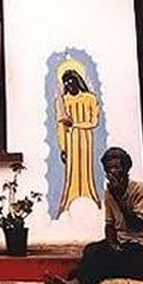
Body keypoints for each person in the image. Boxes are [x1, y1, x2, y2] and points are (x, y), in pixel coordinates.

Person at [45, 146, 143, 284]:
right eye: (109, 168)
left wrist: (119, 198)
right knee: (92, 250)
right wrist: (112, 243)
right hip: (121, 241)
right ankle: (75, 283)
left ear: (125, 168)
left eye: (117, 167)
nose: (113, 172)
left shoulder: (138, 190)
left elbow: (138, 226)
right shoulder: (109, 192)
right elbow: (109, 224)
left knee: (119, 259)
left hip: (141, 244)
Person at [55, 65, 101, 216]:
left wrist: (75, 124)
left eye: (70, 80)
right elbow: (61, 126)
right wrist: (63, 148)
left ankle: (90, 196)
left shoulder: (90, 98)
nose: (68, 84)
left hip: (85, 138)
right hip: (70, 140)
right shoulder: (63, 101)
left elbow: (94, 121)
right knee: (72, 171)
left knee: (86, 169)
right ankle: (70, 200)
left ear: (78, 81)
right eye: (65, 82)